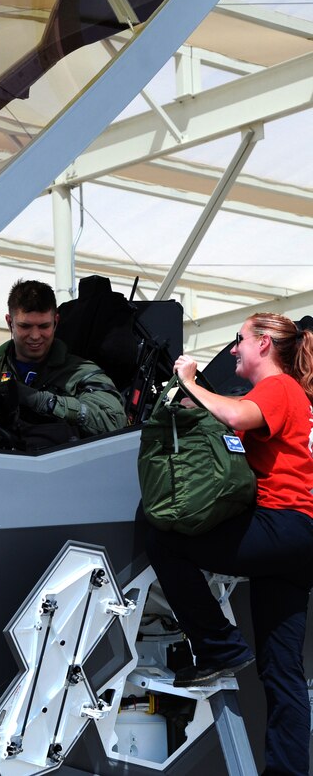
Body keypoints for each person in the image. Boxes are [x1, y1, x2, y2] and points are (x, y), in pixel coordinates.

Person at [145, 311, 313, 776]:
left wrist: (189, 380)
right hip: (297, 542)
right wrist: (193, 402)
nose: (234, 348)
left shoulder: (278, 387)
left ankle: (218, 646)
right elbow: (229, 425)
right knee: (281, 670)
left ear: (264, 344)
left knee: (163, 535)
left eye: (240, 339)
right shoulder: (291, 395)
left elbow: (236, 414)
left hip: (282, 526)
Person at [0, 279, 127, 437]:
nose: (36, 336)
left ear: (56, 322)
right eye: (25, 326)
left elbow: (114, 421)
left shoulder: (80, 373)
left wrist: (43, 401)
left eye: (44, 326)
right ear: (10, 323)